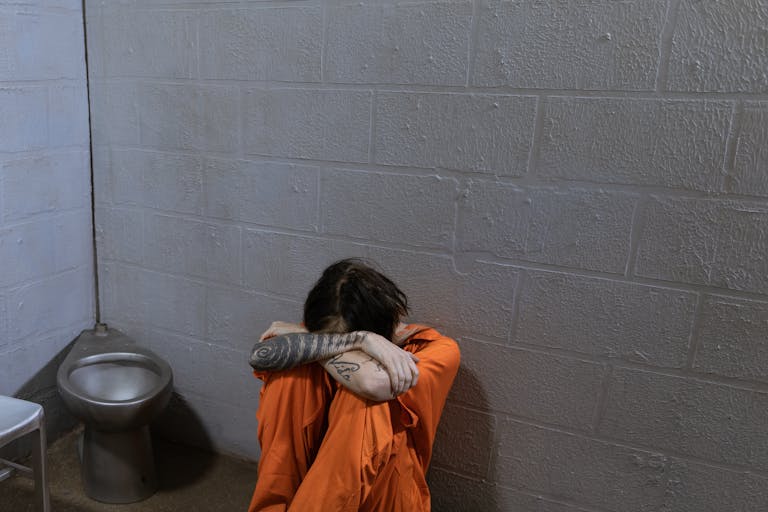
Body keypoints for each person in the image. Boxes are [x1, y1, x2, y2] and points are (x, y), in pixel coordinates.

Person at [247, 258, 460, 512]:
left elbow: (372, 384)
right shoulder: (336, 325)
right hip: (309, 488)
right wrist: (358, 340)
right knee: (290, 375)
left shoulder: (437, 350)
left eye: (353, 338)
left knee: (366, 402)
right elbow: (260, 355)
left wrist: (317, 339)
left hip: (384, 497)